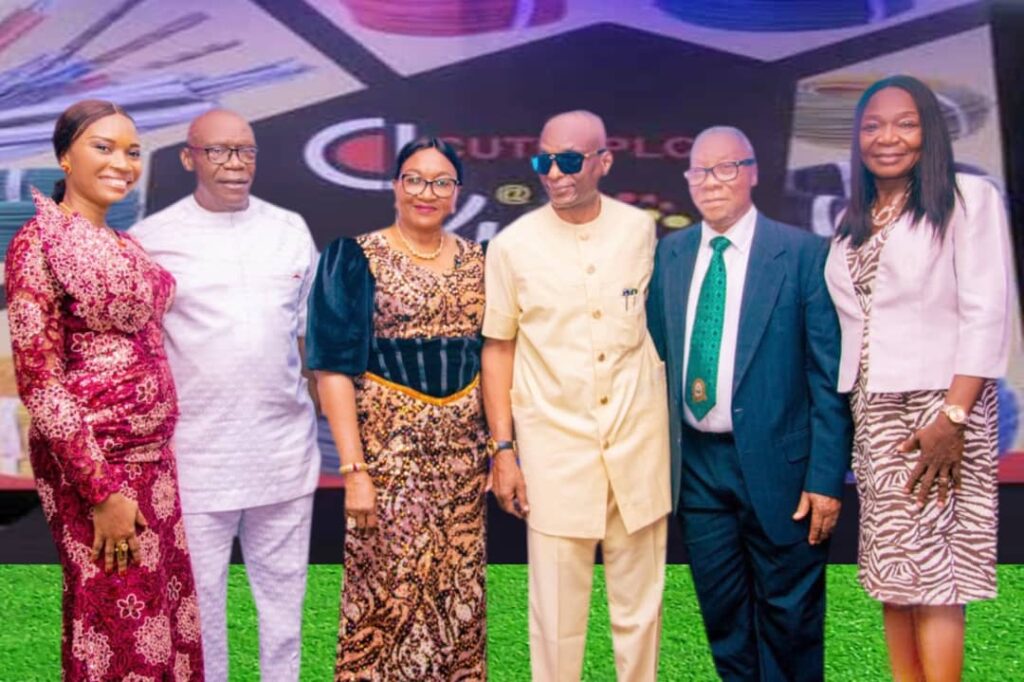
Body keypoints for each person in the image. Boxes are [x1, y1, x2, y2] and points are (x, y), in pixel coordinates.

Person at [5, 100, 204, 680]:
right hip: (98, 469)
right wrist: (102, 493)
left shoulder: (124, 244)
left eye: (132, 151)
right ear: (65, 156)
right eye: (103, 147)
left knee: (164, 618)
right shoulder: (38, 242)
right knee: (117, 622)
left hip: (154, 466)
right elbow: (40, 380)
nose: (123, 162)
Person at [824, 75, 1012, 682]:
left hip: (940, 412)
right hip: (876, 415)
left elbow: (987, 310)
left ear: (930, 130)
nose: (887, 137)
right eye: (873, 125)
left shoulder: (967, 198)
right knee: (894, 578)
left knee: (937, 577)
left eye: (905, 123)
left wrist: (953, 419)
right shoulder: (853, 220)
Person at [647, 126, 852, 681]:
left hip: (782, 469)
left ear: (753, 172)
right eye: (699, 171)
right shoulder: (670, 254)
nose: (711, 182)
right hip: (697, 470)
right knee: (725, 618)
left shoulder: (804, 255)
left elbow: (827, 376)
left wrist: (827, 478)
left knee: (791, 621)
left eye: (726, 168)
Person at [130, 110, 319, 682]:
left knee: (285, 613)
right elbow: (136, 354)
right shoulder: (149, 240)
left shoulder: (290, 229)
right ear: (189, 158)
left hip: (285, 455)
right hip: (196, 460)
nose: (235, 163)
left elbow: (309, 339)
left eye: (246, 151)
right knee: (198, 614)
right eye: (219, 151)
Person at [483, 110, 670, 682]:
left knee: (640, 613)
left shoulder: (641, 229)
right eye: (545, 161)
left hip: (637, 447)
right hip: (555, 453)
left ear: (604, 161)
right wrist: (503, 450)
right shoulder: (512, 246)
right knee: (556, 618)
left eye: (569, 160)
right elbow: (498, 350)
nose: (555, 174)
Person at [307, 137, 488, 680]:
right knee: (387, 599)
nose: (425, 192)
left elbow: (496, 356)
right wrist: (354, 470)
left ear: (456, 194)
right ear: (395, 186)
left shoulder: (481, 261)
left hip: (461, 467)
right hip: (389, 465)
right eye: (413, 178)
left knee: (456, 603)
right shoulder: (356, 256)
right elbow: (332, 369)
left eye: (440, 182)